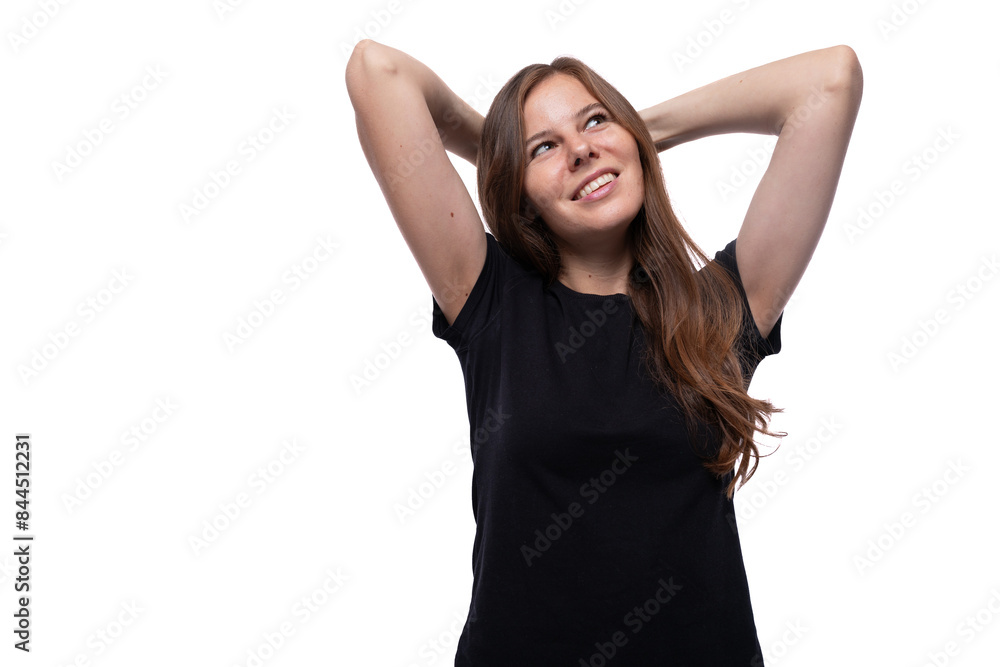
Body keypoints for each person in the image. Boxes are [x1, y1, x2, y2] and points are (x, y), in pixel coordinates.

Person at [346, 38, 862, 665]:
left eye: (595, 120)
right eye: (545, 147)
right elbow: (378, 72)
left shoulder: (722, 310)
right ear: (519, 192)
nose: (581, 148)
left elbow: (829, 82)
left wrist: (639, 134)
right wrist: (505, 156)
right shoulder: (487, 299)